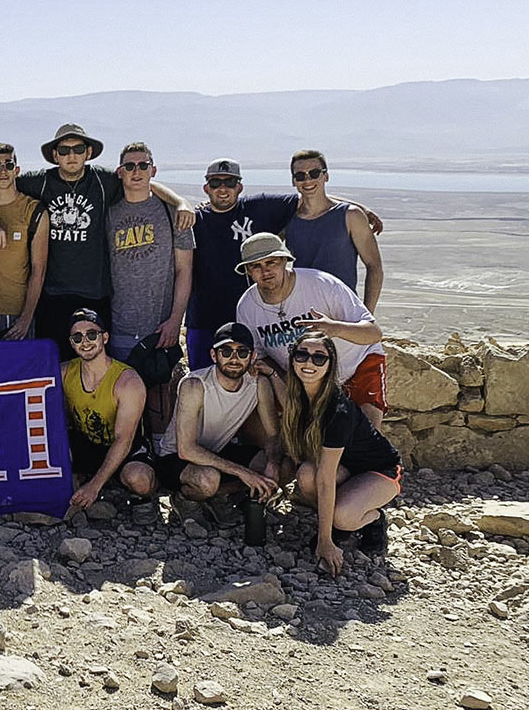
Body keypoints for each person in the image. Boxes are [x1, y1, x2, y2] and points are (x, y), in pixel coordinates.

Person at [0, 124, 193, 359]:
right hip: (52, 295)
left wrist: (180, 202)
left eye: (78, 149)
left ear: (88, 153)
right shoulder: (41, 182)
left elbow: (141, 181)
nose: (72, 155)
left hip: (95, 295)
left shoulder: (103, 181)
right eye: (65, 150)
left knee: (95, 366)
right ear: (55, 155)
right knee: (56, 367)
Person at [187, 157, 383, 370]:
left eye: (230, 182)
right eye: (215, 183)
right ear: (206, 187)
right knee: (201, 378)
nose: (222, 188)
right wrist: (182, 205)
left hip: (252, 316)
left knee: (249, 381)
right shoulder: (194, 220)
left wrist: (356, 207)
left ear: (240, 186)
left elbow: (309, 196)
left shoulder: (259, 207)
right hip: (204, 318)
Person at [234, 232, 387, 429]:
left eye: (271, 262)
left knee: (366, 437)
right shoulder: (247, 306)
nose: (265, 271)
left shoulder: (321, 284)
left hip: (357, 365)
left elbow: (374, 333)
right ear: (247, 271)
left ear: (284, 261)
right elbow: (260, 355)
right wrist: (283, 379)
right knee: (254, 419)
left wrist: (335, 328)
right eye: (256, 266)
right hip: (306, 380)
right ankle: (275, 456)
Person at [280, 331, 402, 575]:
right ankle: (337, 522)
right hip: (345, 469)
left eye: (319, 358)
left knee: (343, 516)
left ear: (330, 364)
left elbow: (326, 479)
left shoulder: (337, 410)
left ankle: (373, 519)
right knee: (305, 474)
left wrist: (325, 541)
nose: (308, 363)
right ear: (292, 359)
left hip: (380, 471)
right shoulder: (299, 397)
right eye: (302, 354)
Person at [107, 142, 194, 437]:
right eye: (129, 166)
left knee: (160, 402)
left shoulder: (173, 213)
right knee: (122, 401)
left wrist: (175, 320)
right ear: (120, 172)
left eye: (143, 165)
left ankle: (162, 463)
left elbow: (184, 270)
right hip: (119, 324)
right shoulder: (109, 213)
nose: (136, 172)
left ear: (153, 170)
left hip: (159, 326)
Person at [152, 323, 282, 509]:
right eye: (226, 352)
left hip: (218, 452)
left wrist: (272, 462)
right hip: (176, 458)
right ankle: (185, 499)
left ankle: (221, 496)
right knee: (208, 480)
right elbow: (186, 450)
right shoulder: (195, 385)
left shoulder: (259, 384)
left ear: (253, 356)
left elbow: (272, 434)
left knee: (282, 468)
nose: (234, 359)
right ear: (214, 355)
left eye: (242, 353)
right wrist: (243, 473)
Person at [60, 309, 156, 511]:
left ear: (105, 337)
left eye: (91, 335)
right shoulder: (64, 372)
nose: (85, 341)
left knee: (140, 480)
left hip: (125, 447)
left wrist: (93, 487)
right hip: (87, 443)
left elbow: (124, 439)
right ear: (71, 343)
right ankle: (102, 481)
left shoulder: (128, 382)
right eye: (77, 337)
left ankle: (130, 491)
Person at [285, 149, 384, 311]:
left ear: (326, 176)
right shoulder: (287, 218)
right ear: (293, 181)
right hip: (301, 313)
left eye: (314, 173)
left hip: (343, 312)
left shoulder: (351, 216)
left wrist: (367, 314)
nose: (307, 180)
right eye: (300, 176)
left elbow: (374, 266)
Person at [0, 143, 48, 341]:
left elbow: (39, 270)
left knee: (18, 372)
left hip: (17, 312)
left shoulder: (34, 211)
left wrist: (26, 318)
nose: (3, 171)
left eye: (8, 165)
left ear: (17, 170)